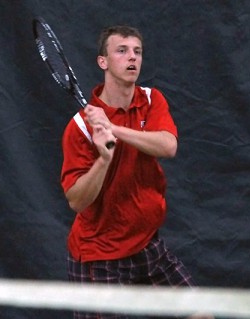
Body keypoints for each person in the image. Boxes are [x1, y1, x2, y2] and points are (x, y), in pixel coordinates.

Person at [60, 25, 196, 319]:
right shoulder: (80, 127)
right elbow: (77, 201)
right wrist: (104, 159)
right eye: (121, 51)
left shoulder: (151, 100)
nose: (132, 58)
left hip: (147, 244)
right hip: (99, 257)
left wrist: (115, 130)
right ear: (103, 61)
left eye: (137, 51)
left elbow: (168, 146)